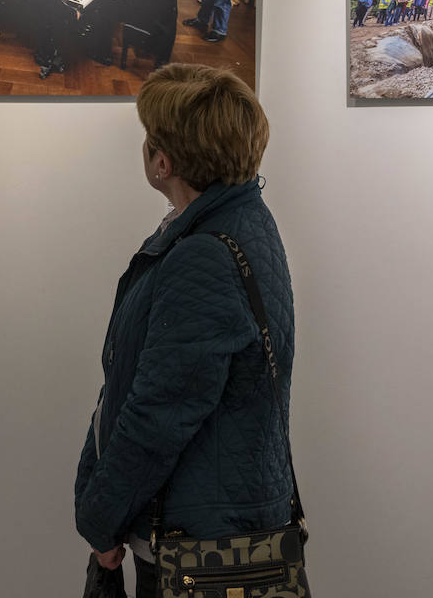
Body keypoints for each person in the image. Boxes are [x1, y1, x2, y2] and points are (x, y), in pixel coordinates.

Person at [73, 63, 296, 598]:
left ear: (163, 160)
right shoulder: (238, 223)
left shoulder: (205, 253)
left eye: (149, 139)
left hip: (196, 552)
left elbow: (160, 412)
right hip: (215, 528)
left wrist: (101, 520)